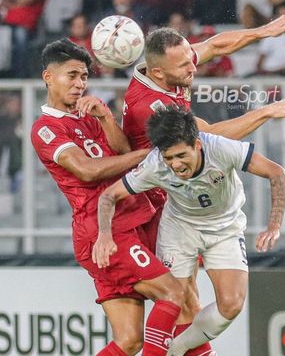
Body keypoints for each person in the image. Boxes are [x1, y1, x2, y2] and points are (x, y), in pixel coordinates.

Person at [121, 19, 285, 356]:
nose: (194, 65)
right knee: (183, 297)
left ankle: (174, 350)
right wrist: (268, 111)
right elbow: (210, 137)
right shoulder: (151, 106)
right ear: (159, 74)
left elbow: (215, 46)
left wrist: (262, 32)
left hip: (183, 188)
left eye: (190, 58)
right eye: (184, 65)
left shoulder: (166, 66)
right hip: (158, 196)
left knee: (196, 301)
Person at [30, 39, 185, 356]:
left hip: (132, 218)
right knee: (173, 294)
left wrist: (105, 117)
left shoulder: (87, 116)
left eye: (84, 76)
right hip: (105, 231)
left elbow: (124, 152)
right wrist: (152, 152)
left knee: (129, 341)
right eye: (71, 75)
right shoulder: (45, 128)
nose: (79, 84)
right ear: (48, 77)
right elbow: (87, 170)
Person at [95, 105, 285, 356]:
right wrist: (104, 233)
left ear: (197, 144)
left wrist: (274, 225)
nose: (175, 165)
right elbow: (109, 196)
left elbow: (278, 174)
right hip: (180, 229)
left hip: (225, 227)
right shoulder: (155, 164)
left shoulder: (221, 148)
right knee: (176, 300)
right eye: (169, 158)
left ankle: (176, 349)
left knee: (231, 305)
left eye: (181, 156)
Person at [2, 0, 49, 78]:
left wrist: (16, 1)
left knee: (20, 39)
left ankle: (21, 75)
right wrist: (21, 0)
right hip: (7, 23)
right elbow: (4, 2)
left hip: (27, 26)